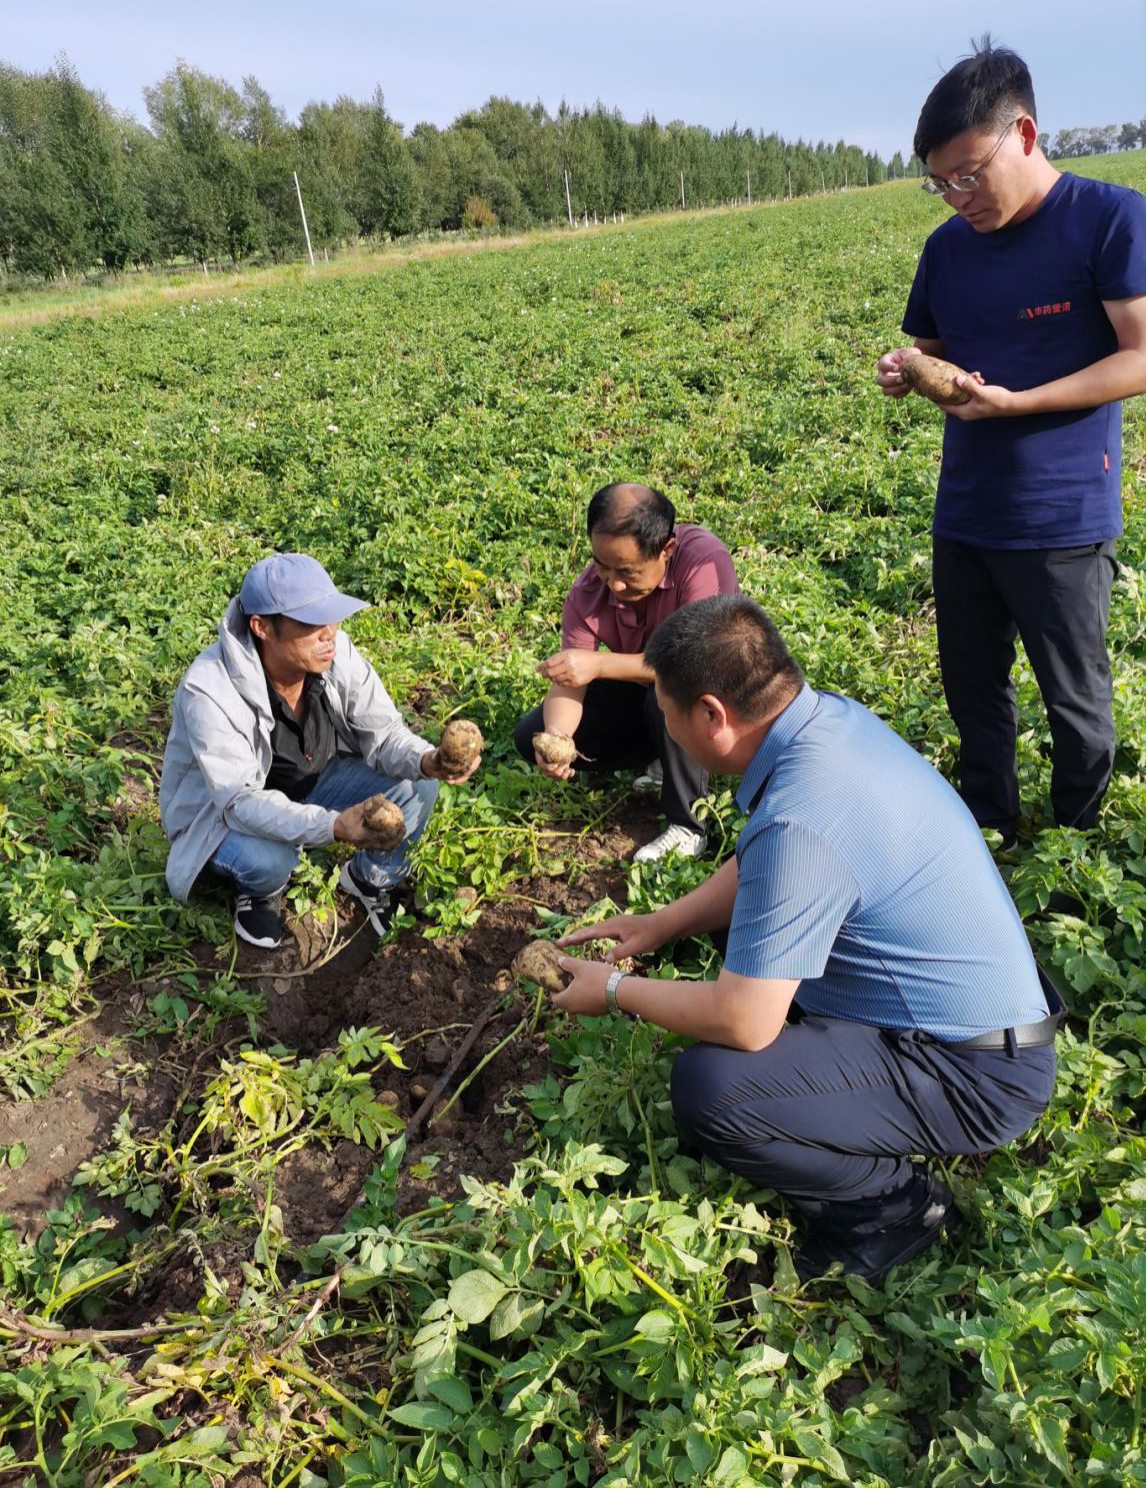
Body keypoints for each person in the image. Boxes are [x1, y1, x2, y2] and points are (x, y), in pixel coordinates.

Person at [553, 596, 1062, 1282]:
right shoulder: (828, 725)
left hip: (977, 1074)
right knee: (756, 980)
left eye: (668, 716)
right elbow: (766, 860)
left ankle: (890, 1208)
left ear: (713, 715)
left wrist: (614, 990)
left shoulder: (803, 821)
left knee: (712, 1086)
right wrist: (662, 921)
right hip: (979, 1020)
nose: (667, 733)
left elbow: (744, 1020)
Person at [876, 40, 1146, 848]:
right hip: (966, 508)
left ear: (1024, 134)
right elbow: (926, 346)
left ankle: (1077, 843)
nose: (957, 196)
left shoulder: (1108, 218)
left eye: (968, 173)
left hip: (1061, 515)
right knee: (973, 689)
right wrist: (908, 370)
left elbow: (1139, 355)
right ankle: (990, 826)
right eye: (939, 182)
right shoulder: (946, 248)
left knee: (1075, 700)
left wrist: (1019, 402)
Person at [160, 553, 480, 949]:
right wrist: (333, 827)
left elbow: (382, 733)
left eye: (330, 618)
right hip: (225, 817)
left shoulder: (333, 652)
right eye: (310, 623)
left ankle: (368, 879)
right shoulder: (209, 688)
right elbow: (239, 804)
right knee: (272, 862)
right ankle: (258, 893)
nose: (328, 633)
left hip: (314, 782)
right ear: (262, 627)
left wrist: (427, 760)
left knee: (419, 787)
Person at [514, 482, 740, 862]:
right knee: (528, 735)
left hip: (712, 689)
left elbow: (697, 663)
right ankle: (662, 756)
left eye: (628, 572)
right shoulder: (589, 591)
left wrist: (599, 663)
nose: (614, 584)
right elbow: (570, 686)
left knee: (670, 688)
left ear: (666, 550)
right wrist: (558, 737)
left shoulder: (702, 562)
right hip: (645, 690)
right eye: (602, 567)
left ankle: (688, 824)